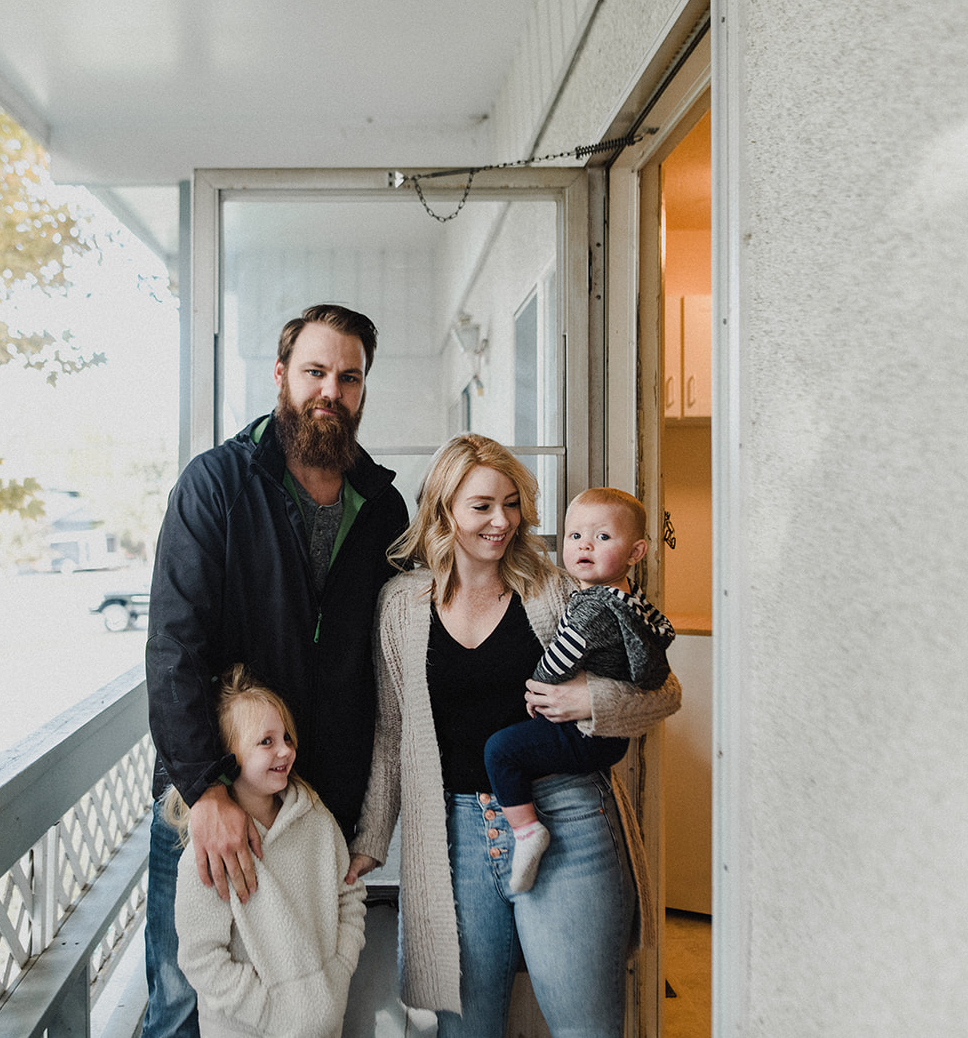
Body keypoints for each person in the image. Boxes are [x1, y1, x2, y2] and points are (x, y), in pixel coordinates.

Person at [347, 434, 681, 1038]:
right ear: (443, 508)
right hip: (458, 836)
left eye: (511, 503)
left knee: (587, 1028)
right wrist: (370, 838)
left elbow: (664, 691)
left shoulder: (556, 589)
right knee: (465, 1029)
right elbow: (392, 732)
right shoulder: (399, 606)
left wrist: (591, 699)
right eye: (481, 506)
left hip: (569, 815)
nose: (501, 522)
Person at [143, 304, 409, 1038]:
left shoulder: (384, 509)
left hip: (311, 814)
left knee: (303, 1009)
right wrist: (204, 791)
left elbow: (385, 672)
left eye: (348, 377)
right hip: (212, 800)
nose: (331, 390)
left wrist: (363, 813)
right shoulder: (217, 486)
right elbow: (173, 648)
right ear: (281, 376)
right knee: (182, 1006)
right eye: (315, 371)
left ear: (361, 391)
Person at [484, 486, 675, 893]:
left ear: (636, 552)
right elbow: (660, 638)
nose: (585, 544)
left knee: (500, 750)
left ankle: (527, 832)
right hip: (605, 739)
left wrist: (542, 688)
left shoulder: (591, 604)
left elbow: (561, 657)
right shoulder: (630, 600)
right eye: (575, 536)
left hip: (587, 737)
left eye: (603, 537)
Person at [171, 666, 367, 1038]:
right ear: (228, 758)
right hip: (245, 1029)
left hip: (325, 1024)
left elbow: (350, 896)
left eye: (287, 738)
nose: (285, 750)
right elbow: (200, 958)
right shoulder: (210, 851)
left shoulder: (316, 819)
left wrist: (337, 975)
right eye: (266, 741)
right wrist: (272, 1014)